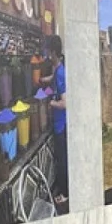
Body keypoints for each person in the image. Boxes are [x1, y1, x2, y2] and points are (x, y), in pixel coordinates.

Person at [45, 34, 69, 209]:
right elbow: (52, 78)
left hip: (61, 125)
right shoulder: (58, 68)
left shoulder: (61, 74)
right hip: (60, 123)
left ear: (53, 52)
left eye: (48, 51)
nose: (46, 55)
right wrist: (42, 80)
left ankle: (65, 195)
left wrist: (50, 103)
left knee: (62, 161)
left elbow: (65, 103)